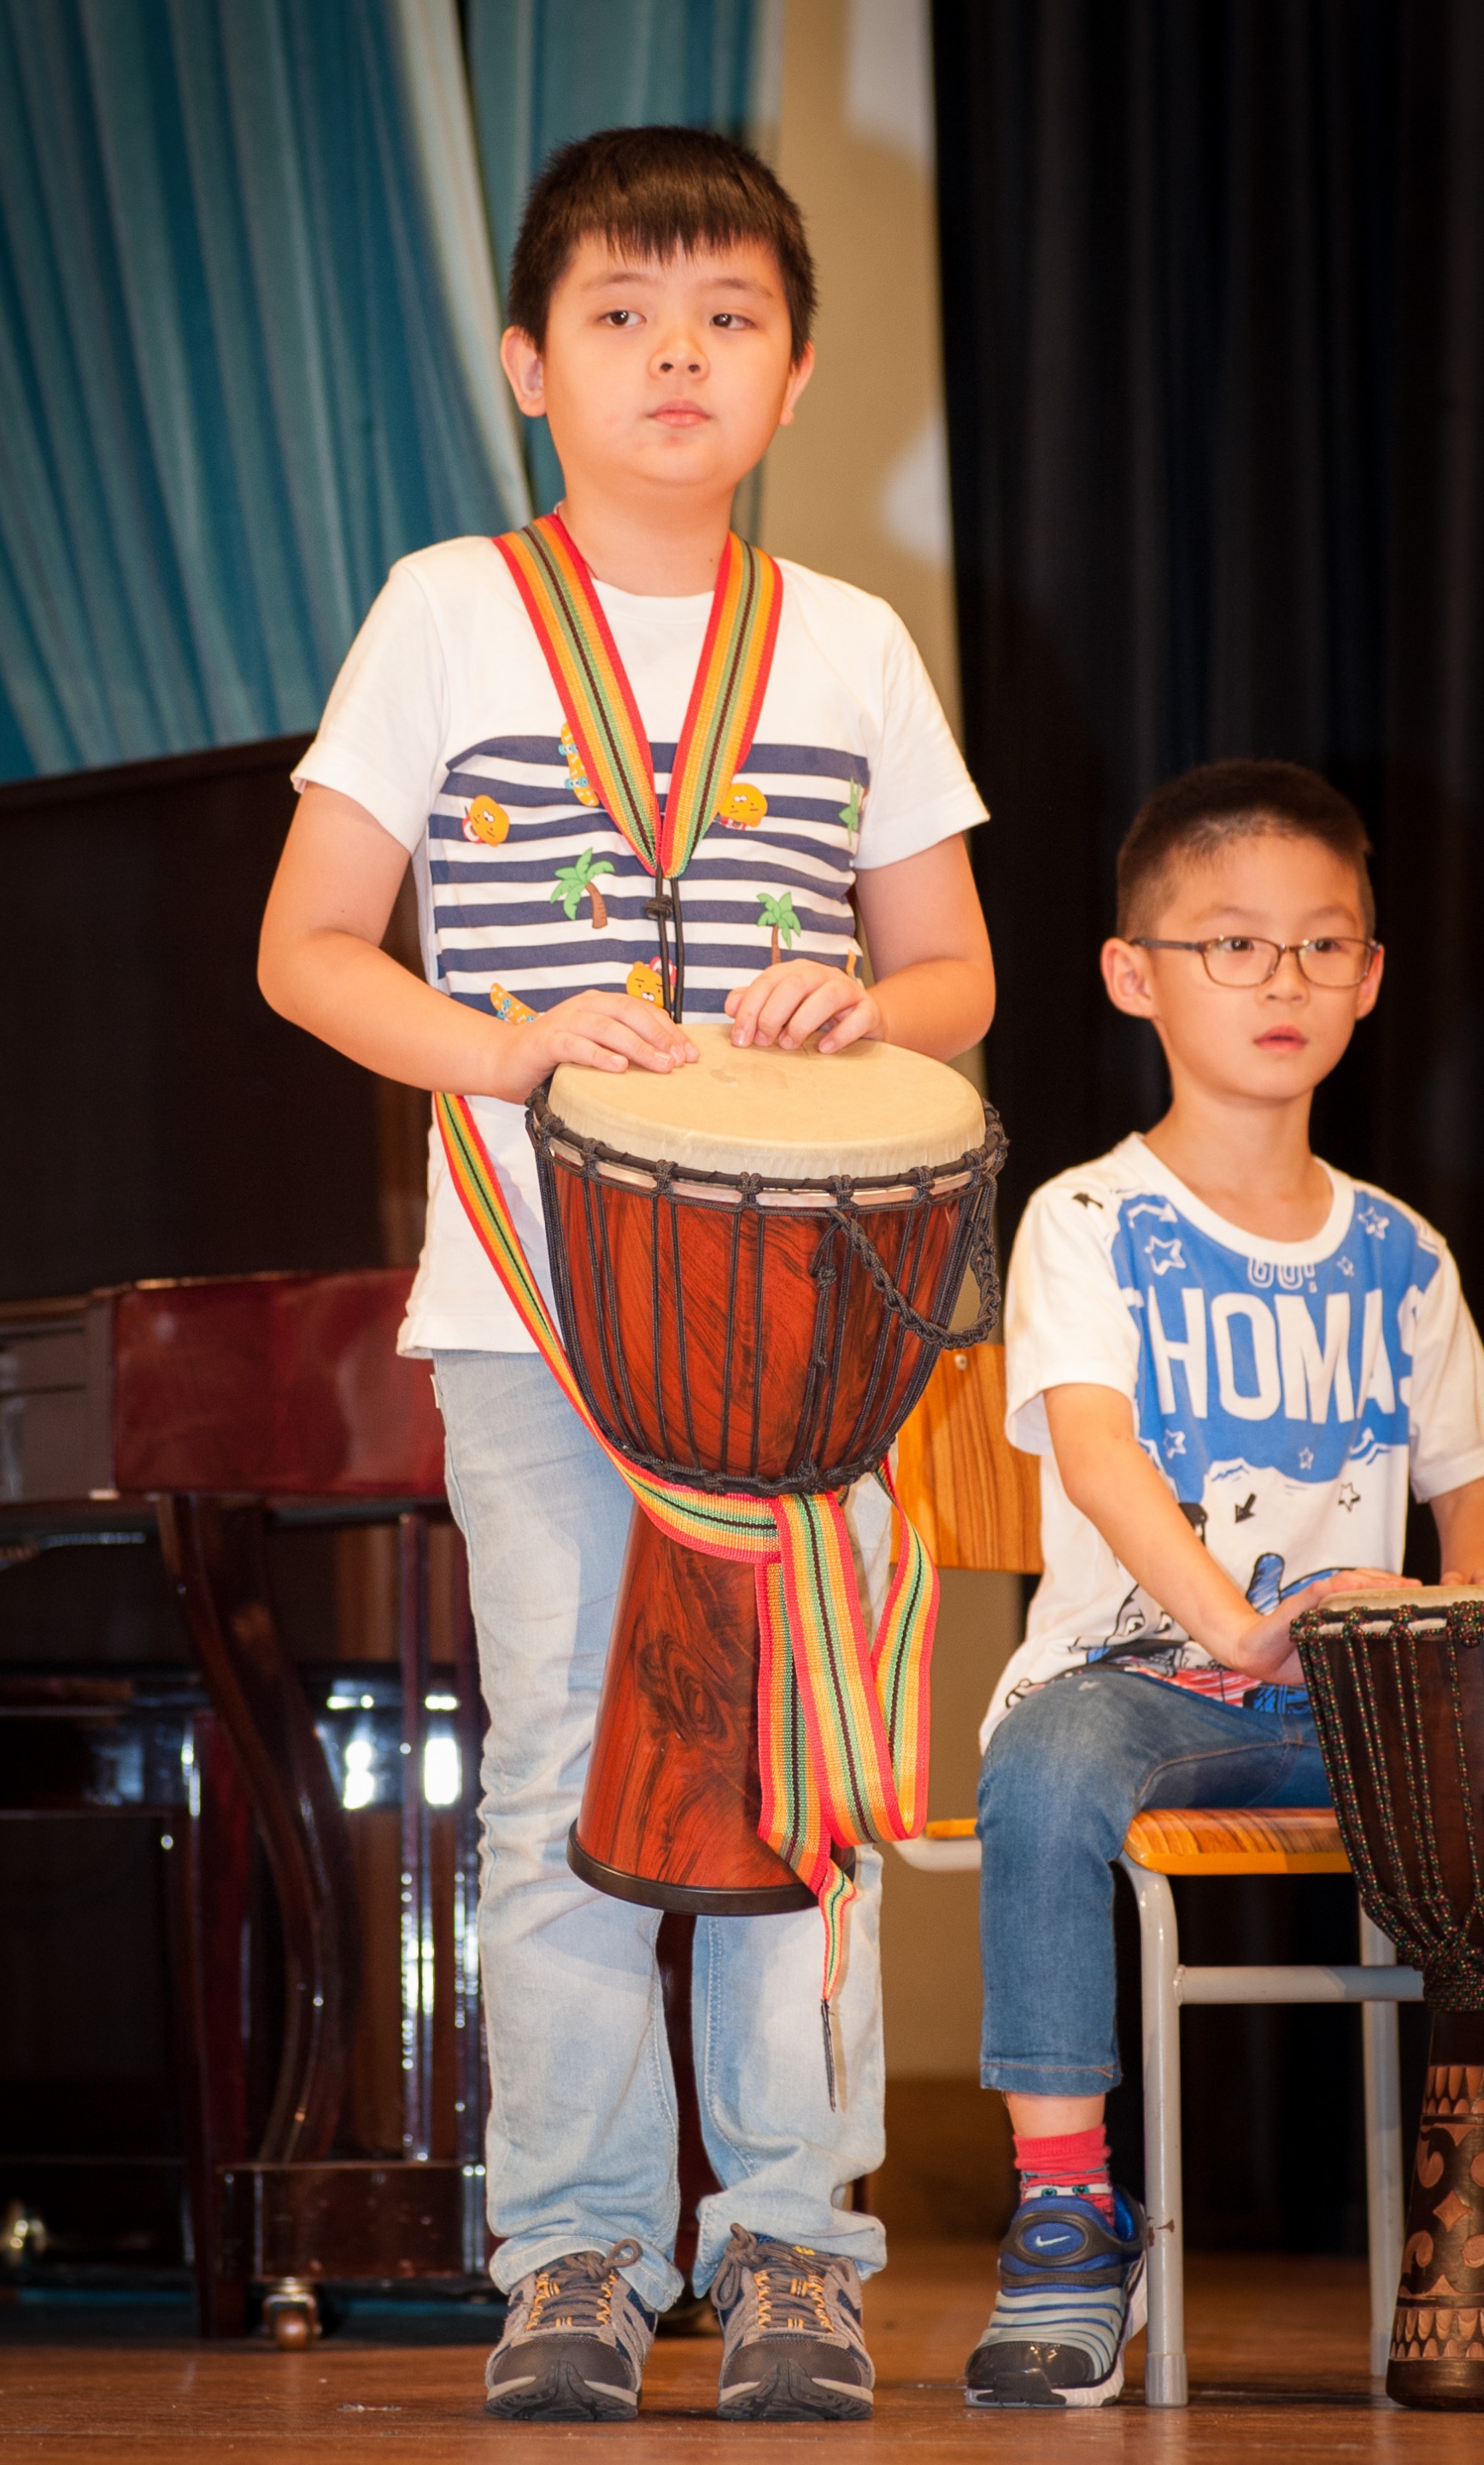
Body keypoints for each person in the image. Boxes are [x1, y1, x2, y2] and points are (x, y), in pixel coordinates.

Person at [257, 125, 994, 2422]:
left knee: (799, 1773)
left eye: (728, 317)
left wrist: (865, 1006)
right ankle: (571, 2247)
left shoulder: (852, 642)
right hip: (531, 1307)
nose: (679, 353)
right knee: (561, 1766)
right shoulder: (442, 608)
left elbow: (956, 972)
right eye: (622, 314)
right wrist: (506, 1044)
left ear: (796, 372)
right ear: (528, 364)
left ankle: (795, 2249)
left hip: (809, 1338)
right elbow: (306, 946)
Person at [963, 759, 1484, 2409]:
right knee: (1045, 1766)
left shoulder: (1405, 1254)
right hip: (1147, 1688)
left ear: (1372, 976)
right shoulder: (1089, 1220)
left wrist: (1439, 1627)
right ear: (1135, 974)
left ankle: (1466, 2219)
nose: (1285, 982)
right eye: (1235, 944)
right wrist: (1238, 1624)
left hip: (1359, 1708)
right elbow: (1100, 1455)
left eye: (1324, 946)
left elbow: (1472, 1510)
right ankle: (1067, 2215)